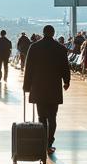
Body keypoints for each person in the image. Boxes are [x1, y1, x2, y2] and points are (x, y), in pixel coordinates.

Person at [22, 24, 70, 155]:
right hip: (54, 86)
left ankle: (42, 143)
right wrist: (66, 81)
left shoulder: (34, 47)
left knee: (41, 117)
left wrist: (26, 86)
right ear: (53, 33)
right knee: (52, 117)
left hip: (38, 86)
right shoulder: (60, 48)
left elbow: (29, 68)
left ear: (43, 33)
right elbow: (65, 67)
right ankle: (50, 143)